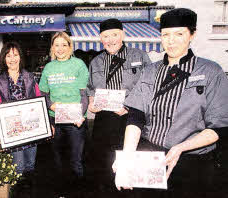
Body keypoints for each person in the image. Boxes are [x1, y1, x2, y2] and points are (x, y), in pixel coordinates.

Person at [113, 8, 228, 197]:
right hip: (151, 158)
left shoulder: (211, 71)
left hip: (192, 162)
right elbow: (135, 118)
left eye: (179, 34)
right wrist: (127, 157)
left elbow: (219, 127)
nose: (171, 40)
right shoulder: (150, 71)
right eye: (166, 34)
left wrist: (181, 147)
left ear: (192, 35)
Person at [86, 18, 151, 190]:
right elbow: (90, 88)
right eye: (106, 36)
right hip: (104, 121)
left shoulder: (140, 56)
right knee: (103, 164)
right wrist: (91, 103)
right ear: (100, 39)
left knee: (130, 164)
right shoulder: (96, 61)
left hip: (132, 119)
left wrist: (129, 106)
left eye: (115, 35)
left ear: (122, 35)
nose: (110, 40)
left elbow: (149, 86)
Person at [39, 32, 89, 196]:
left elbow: (84, 95)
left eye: (64, 45)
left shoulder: (79, 65)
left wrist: (80, 115)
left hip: (76, 122)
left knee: (76, 161)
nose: (60, 49)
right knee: (57, 160)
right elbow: (43, 94)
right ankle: (61, 192)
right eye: (57, 45)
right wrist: (51, 105)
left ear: (70, 47)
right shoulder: (48, 67)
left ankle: (78, 192)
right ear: (52, 47)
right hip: (55, 120)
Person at [0, 42, 41, 196]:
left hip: (32, 131)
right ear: (3, 59)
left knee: (30, 165)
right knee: (18, 168)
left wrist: (46, 123)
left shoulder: (30, 77)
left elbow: (39, 100)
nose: (12, 59)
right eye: (8, 55)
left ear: (20, 57)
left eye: (15, 55)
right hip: (12, 133)